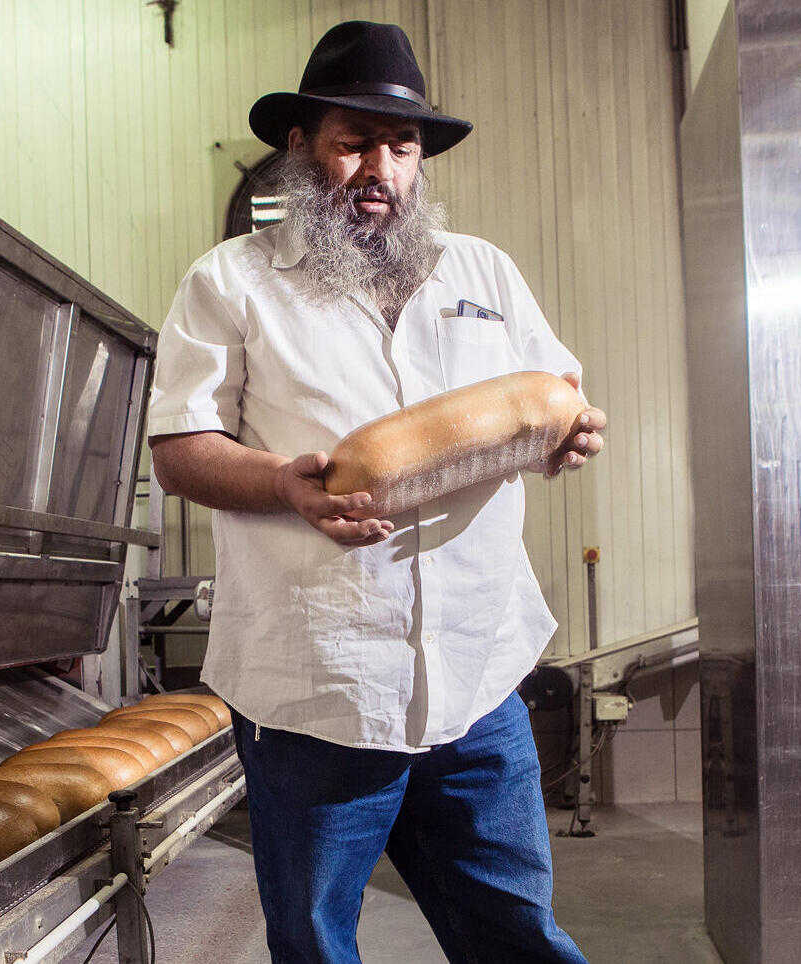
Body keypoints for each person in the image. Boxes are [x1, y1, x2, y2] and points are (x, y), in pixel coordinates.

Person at [145, 20, 606, 964]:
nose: (379, 169)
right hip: (319, 687)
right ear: (301, 147)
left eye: (401, 148)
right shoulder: (230, 282)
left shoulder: (483, 272)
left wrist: (570, 435)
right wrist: (283, 482)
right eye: (354, 142)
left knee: (516, 934)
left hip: (478, 678)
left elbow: (554, 397)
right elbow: (180, 449)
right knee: (318, 943)